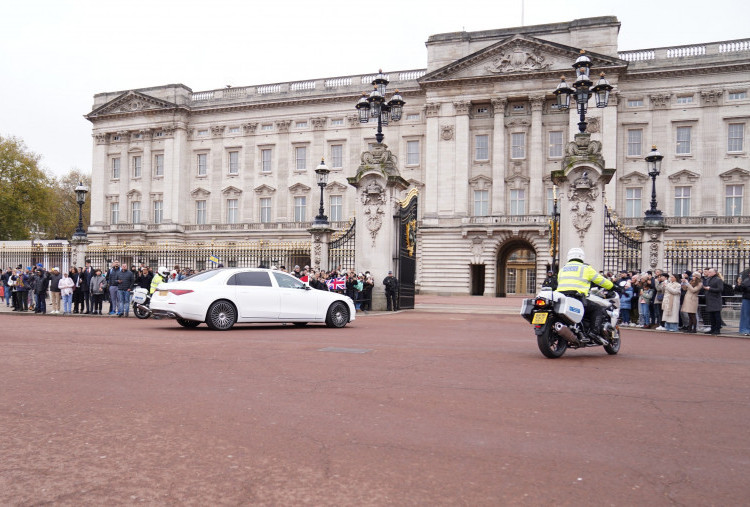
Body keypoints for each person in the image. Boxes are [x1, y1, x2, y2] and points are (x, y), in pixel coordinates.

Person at [556, 247, 614, 341]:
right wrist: (612, 286)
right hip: (577, 297)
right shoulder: (586, 268)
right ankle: (594, 333)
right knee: (597, 309)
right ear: (582, 257)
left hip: (562, 298)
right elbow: (601, 280)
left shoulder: (563, 269)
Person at [703, 267, 724, 335]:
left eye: (710, 272)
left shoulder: (718, 280)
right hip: (710, 300)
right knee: (711, 316)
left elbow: (720, 289)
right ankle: (712, 329)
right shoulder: (709, 279)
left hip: (716, 300)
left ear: (714, 273)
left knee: (716, 316)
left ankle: (717, 330)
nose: (708, 273)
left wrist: (710, 289)